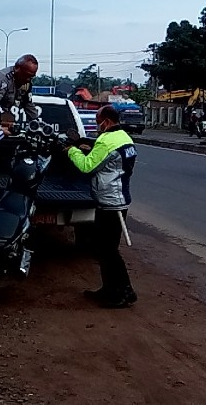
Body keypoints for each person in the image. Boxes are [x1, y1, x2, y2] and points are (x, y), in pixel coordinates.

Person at [65, 105, 138, 308]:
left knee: (108, 250)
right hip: (119, 198)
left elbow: (86, 166)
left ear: (106, 121)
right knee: (104, 249)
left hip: (110, 203)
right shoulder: (124, 137)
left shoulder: (106, 141)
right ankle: (109, 289)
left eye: (98, 122)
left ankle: (124, 291)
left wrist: (71, 151)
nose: (97, 127)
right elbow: (110, 159)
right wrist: (90, 150)